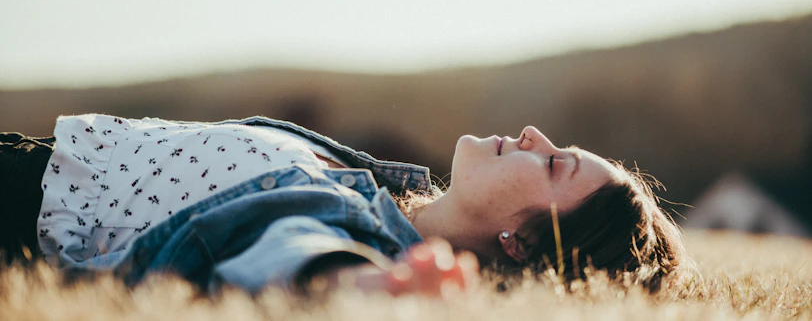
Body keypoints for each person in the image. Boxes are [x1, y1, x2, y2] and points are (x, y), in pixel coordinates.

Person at [0, 114, 686, 296]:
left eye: (555, 163)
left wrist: (354, 284)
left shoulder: (361, 229)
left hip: (19, 205)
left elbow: (291, 247)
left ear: (521, 243)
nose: (536, 135)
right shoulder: (378, 186)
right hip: (42, 152)